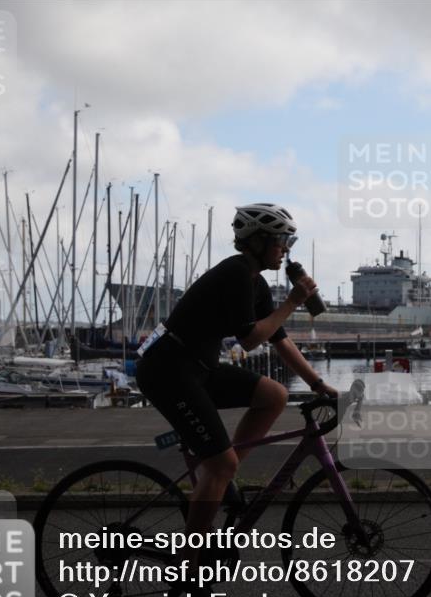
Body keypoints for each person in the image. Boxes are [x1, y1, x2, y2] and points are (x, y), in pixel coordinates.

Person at [135, 203, 337, 566]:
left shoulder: (255, 282)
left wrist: (319, 384)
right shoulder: (236, 273)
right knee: (221, 464)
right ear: (257, 241)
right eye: (280, 240)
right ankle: (190, 560)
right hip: (168, 371)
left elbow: (279, 339)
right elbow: (251, 340)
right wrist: (292, 301)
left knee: (274, 395)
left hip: (197, 369)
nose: (285, 248)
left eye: (288, 240)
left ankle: (221, 474)